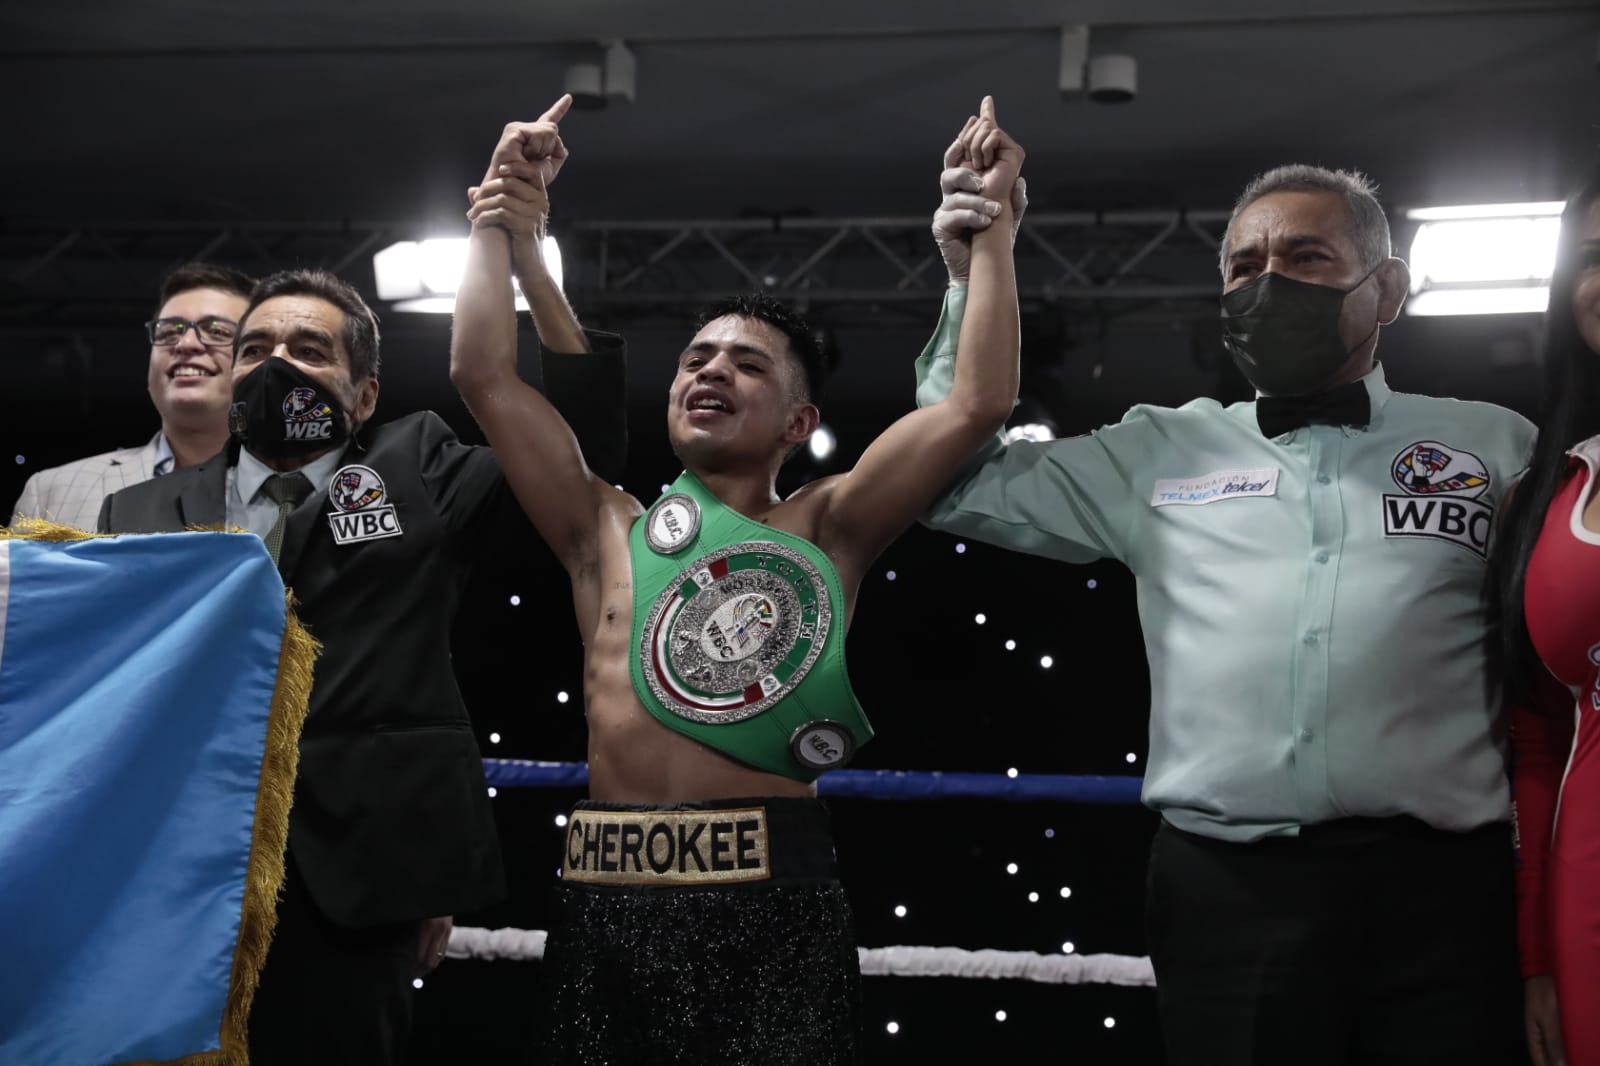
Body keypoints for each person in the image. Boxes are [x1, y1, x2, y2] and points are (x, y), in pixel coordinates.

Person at [916, 163, 1533, 1065]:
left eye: (1306, 256)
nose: (1268, 281)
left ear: (1388, 288)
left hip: (1441, 887)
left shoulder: (1498, 442)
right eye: (1244, 265)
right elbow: (945, 477)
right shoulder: (1158, 448)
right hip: (1227, 885)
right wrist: (974, 274)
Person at [450, 95, 1022, 1063]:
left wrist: (991, 235)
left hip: (770, 896)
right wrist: (499, 225)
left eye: (746, 364)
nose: (709, 371)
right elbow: (484, 377)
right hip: (605, 892)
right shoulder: (606, 528)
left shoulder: (831, 524)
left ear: (799, 423)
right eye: (695, 357)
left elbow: (977, 402)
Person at [97, 247, 627, 1063]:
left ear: (364, 393)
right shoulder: (135, 511)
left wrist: (529, 266)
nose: (277, 366)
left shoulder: (416, 468)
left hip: (360, 873)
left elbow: (576, 453)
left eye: (309, 352)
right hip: (175, 874)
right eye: (256, 350)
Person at [1486, 166, 1600, 1066]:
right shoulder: (1545, 496)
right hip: (1587, 896)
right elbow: (1535, 742)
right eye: (1594, 258)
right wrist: (1535, 963)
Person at [10, 262, 253, 530]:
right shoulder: (50, 492)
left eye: (217, 331)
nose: (185, 343)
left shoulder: (295, 491)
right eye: (169, 331)